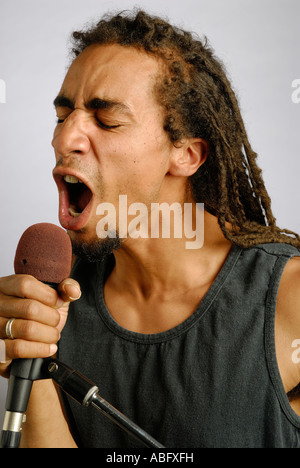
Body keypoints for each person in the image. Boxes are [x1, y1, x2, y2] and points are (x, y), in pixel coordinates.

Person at [0, 9, 300, 448]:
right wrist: (31, 355)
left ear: (187, 155)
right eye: (63, 116)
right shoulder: (56, 298)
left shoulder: (288, 300)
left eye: (106, 120)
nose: (64, 139)